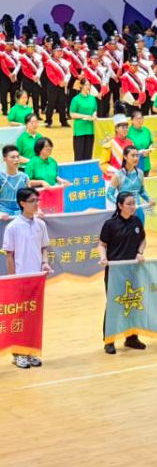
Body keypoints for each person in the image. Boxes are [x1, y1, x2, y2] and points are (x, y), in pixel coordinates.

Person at [3, 187, 51, 369]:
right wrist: (12, 280)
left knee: (34, 317)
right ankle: (18, 354)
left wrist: (44, 263)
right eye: (32, 201)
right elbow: (9, 255)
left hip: (36, 279)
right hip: (20, 279)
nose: (36, 204)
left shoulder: (41, 225)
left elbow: (44, 248)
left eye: (37, 200)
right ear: (22, 203)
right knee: (18, 317)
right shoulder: (13, 227)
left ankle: (30, 351)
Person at [98, 191, 147, 354]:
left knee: (132, 303)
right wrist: (103, 257)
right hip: (115, 272)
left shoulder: (137, 221)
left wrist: (140, 252)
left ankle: (131, 338)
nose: (133, 207)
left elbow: (143, 240)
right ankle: (109, 340)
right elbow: (102, 244)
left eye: (134, 203)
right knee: (114, 305)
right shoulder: (110, 224)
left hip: (133, 270)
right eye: (129, 204)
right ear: (120, 206)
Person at [108, 145, 153, 224]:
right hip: (124, 212)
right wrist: (121, 204)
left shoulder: (140, 173)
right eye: (132, 156)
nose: (136, 158)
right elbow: (109, 194)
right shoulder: (118, 175)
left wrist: (149, 199)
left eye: (137, 155)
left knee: (139, 231)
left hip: (138, 210)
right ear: (125, 157)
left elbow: (142, 191)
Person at [0, 145, 45, 218]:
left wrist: (38, 210)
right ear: (5, 159)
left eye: (18, 157)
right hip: (4, 216)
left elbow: (31, 197)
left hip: (21, 215)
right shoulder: (1, 177)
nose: (16, 159)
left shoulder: (24, 177)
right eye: (13, 157)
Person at [69, 78, 98, 161]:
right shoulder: (76, 99)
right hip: (80, 130)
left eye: (89, 85)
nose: (88, 87)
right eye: (86, 85)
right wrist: (84, 116)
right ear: (81, 86)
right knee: (79, 155)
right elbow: (72, 114)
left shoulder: (92, 98)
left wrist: (93, 116)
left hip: (90, 129)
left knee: (88, 155)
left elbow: (95, 110)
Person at [128, 111, 154, 176]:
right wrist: (137, 153)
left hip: (146, 163)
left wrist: (148, 151)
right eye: (137, 118)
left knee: (145, 180)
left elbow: (151, 143)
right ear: (132, 121)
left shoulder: (146, 130)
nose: (139, 120)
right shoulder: (128, 132)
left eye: (141, 118)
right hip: (133, 164)